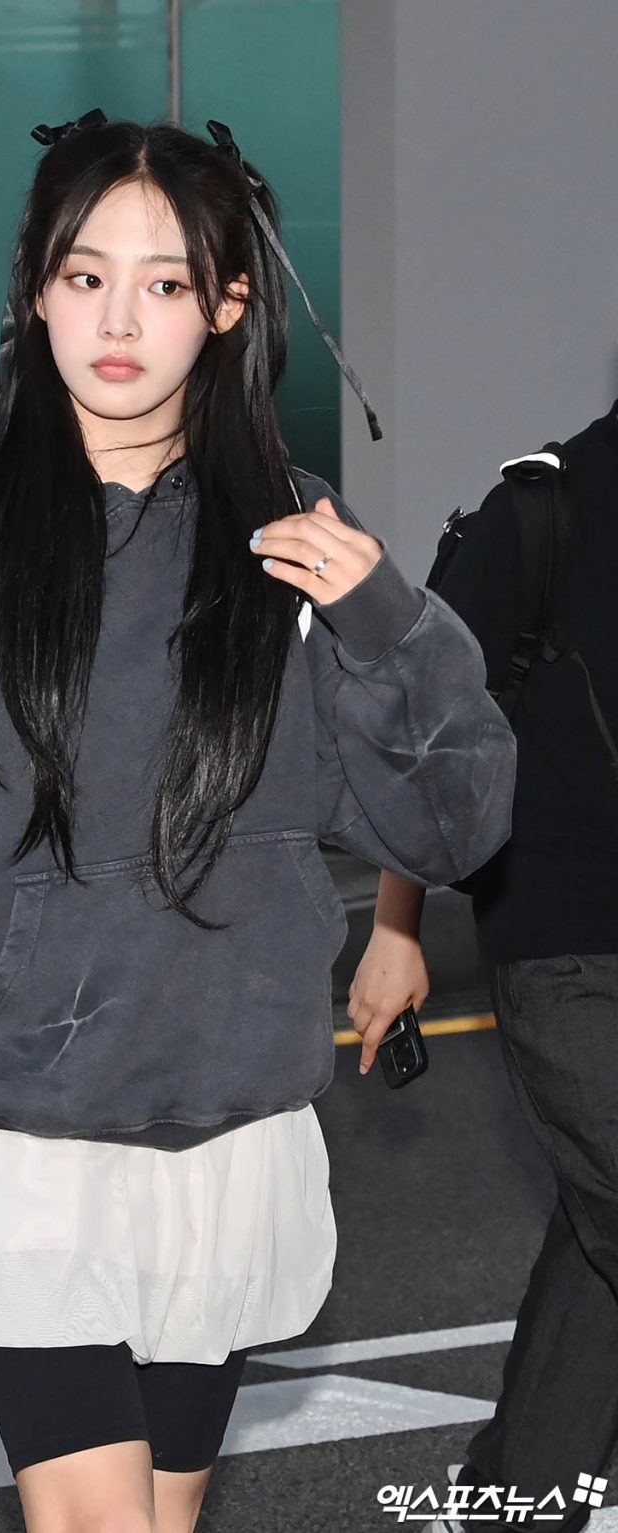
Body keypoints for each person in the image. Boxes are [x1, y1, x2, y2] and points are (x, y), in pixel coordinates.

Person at [0, 115, 515, 1532]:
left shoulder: (297, 546)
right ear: (37, 291)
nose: (120, 321)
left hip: (228, 1144)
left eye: (165, 283)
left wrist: (388, 622)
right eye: (86, 278)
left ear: (228, 305)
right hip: (17, 1143)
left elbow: (453, 831)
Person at [350, 402, 618, 1533]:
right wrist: (396, 927)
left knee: (599, 1250)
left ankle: (515, 1505)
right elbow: (425, 736)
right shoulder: (541, 508)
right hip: (569, 947)